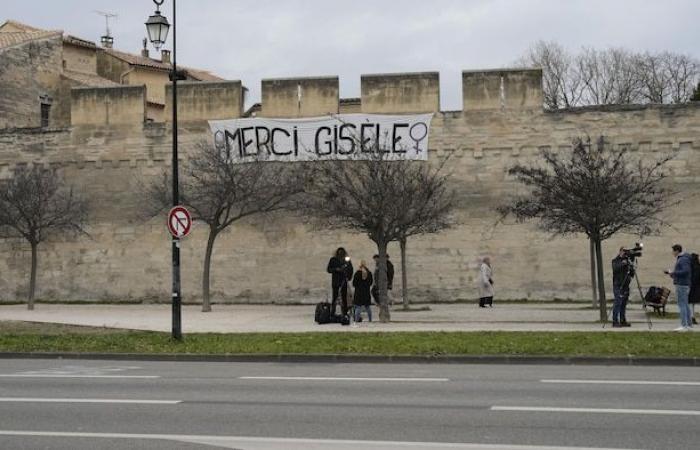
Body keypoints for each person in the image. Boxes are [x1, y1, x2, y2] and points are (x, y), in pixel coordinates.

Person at [665, 244, 693, 331]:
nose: (672, 253)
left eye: (673, 251)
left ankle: (684, 325)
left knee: (682, 305)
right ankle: (688, 324)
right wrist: (672, 274)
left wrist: (674, 273)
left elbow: (685, 271)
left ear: (677, 251)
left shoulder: (683, 259)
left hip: (682, 285)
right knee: (685, 304)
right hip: (683, 283)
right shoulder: (684, 258)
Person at [327, 247, 353, 317]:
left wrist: (348, 277)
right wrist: (336, 269)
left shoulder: (346, 260)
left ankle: (344, 312)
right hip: (335, 281)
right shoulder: (333, 259)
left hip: (343, 280)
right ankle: (332, 313)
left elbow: (350, 269)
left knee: (344, 298)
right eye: (339, 252)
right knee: (335, 297)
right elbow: (329, 269)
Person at [611, 247, 632, 327]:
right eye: (624, 251)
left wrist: (630, 265)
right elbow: (615, 269)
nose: (625, 253)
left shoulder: (627, 261)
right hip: (618, 285)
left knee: (623, 303)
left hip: (626, 285)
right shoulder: (615, 261)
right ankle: (615, 321)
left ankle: (623, 320)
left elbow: (631, 273)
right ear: (620, 252)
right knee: (618, 302)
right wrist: (622, 263)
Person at [688, 253, 700, 325]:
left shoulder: (692, 267)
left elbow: (694, 278)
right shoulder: (698, 266)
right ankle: (692, 317)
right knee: (693, 303)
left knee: (691, 303)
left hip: (694, 287)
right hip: (697, 287)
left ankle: (692, 317)